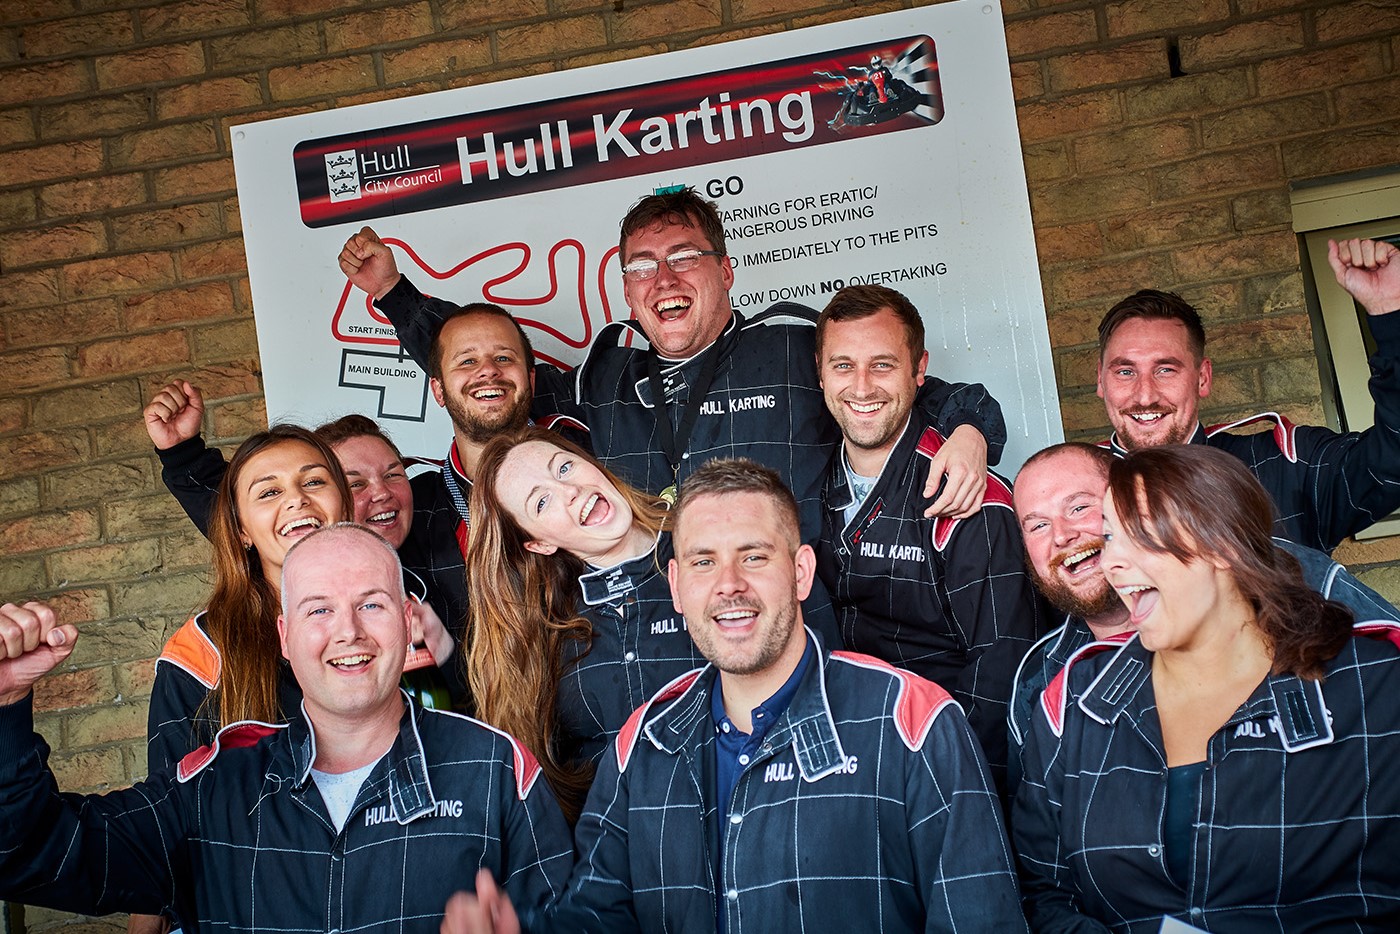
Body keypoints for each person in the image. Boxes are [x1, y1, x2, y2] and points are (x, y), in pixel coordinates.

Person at [444, 458, 1027, 934]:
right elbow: (597, 917)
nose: (729, 585)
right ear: (675, 588)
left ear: (801, 573)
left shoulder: (911, 723)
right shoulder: (642, 746)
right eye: (703, 562)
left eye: (753, 556)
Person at [338, 186, 1005, 544]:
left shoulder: (793, 349)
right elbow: (487, 370)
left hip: (802, 627)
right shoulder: (604, 379)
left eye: (684, 257)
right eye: (642, 267)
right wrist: (396, 297)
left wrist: (971, 434)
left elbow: (920, 390)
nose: (663, 280)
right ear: (626, 289)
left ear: (724, 271)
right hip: (662, 650)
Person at [0, 524, 573, 928]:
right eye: (319, 609)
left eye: (371, 604)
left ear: (407, 623)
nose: (347, 631)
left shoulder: (496, 770)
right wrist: (7, 704)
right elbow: (33, 857)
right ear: (285, 638)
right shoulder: (214, 785)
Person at [1014, 445, 1400, 931]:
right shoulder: (1073, 702)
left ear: (1222, 542)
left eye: (1137, 535)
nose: (1111, 561)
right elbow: (1041, 892)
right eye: (1111, 538)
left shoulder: (1374, 682)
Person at [1007, 441, 1400, 792]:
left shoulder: (1301, 580)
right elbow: (1045, 859)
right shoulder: (1044, 683)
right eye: (1037, 525)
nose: (1061, 535)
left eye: (1079, 507)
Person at [813, 284, 1048, 790]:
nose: (861, 387)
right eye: (842, 366)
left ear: (919, 370)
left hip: (942, 762)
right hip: (843, 757)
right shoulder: (808, 468)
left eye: (882, 365)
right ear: (820, 372)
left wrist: (963, 790)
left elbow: (1001, 668)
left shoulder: (967, 496)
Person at [1095, 236, 1400, 553]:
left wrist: (1390, 310)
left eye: (1166, 370)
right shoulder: (1064, 499)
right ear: (1101, 381)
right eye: (1125, 371)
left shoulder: (1290, 466)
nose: (1145, 396)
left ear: (1202, 378)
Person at [465, 425, 692, 821]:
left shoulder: (707, 547)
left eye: (565, 467)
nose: (570, 491)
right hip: (620, 864)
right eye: (541, 503)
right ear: (538, 543)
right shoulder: (545, 632)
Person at [146, 425, 353, 774]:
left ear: (345, 504)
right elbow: (175, 806)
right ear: (242, 531)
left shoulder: (401, 610)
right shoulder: (201, 651)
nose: (296, 499)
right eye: (269, 492)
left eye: (314, 482)